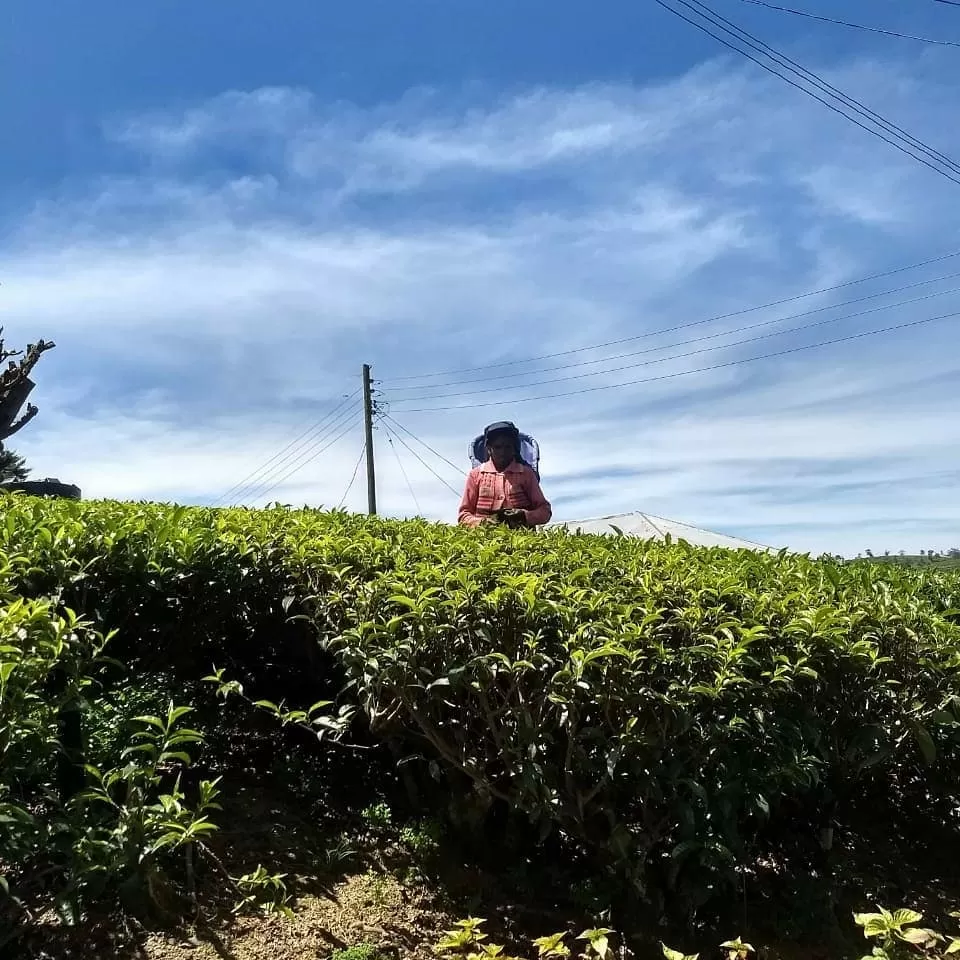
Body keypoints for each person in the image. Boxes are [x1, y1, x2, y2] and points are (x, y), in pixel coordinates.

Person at [458, 421, 552, 529]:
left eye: (508, 447)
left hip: (522, 540)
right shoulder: (476, 475)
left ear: (515, 448)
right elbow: (463, 515)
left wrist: (524, 516)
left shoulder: (526, 474)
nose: (503, 452)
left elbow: (545, 511)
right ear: (489, 449)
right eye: (497, 447)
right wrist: (482, 523)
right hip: (484, 541)